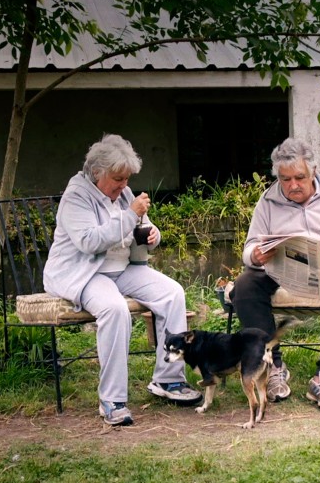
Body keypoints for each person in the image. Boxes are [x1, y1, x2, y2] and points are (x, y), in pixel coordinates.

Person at [43, 134, 202, 426]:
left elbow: (139, 226)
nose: (123, 185)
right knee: (115, 309)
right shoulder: (76, 197)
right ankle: (112, 400)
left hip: (122, 269)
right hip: (84, 271)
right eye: (118, 178)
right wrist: (130, 216)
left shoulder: (124, 194)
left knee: (173, 293)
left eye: (127, 179)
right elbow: (90, 241)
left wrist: (152, 234)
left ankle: (168, 381)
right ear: (96, 173)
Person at [230, 137, 320, 411]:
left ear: (313, 172)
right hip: (279, 275)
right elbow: (249, 249)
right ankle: (272, 367)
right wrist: (256, 256)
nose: (293, 185)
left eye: (299, 177)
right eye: (285, 179)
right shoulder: (268, 201)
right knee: (244, 285)